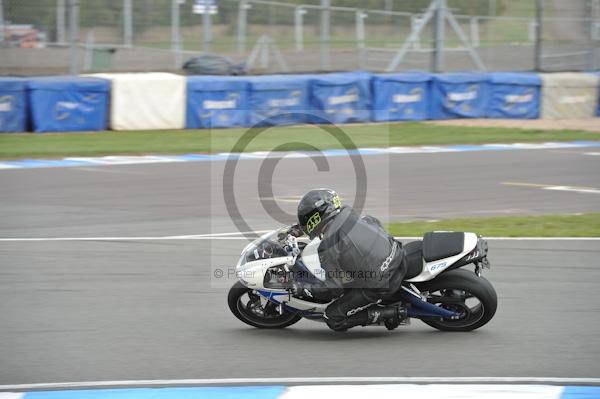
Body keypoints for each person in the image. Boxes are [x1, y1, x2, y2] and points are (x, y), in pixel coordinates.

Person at [289, 188, 408, 331]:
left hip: (382, 283)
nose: (303, 222)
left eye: (304, 219)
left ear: (315, 218)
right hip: (396, 253)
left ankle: (393, 313)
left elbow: (334, 288)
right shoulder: (347, 213)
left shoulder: (328, 246)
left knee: (332, 317)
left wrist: (304, 289)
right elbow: (373, 221)